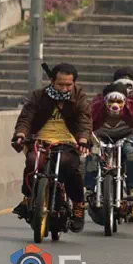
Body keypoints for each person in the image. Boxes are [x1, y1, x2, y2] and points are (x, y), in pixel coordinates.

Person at [11, 63, 91, 233]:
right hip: (40, 141)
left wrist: (83, 139)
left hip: (67, 142)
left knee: (70, 167)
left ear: (74, 83)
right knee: (32, 162)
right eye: (60, 84)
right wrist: (21, 134)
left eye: (68, 85)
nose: (64, 88)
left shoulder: (79, 96)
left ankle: (78, 205)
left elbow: (84, 120)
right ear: (52, 81)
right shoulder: (39, 96)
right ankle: (28, 198)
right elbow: (26, 118)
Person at [87, 83, 133, 206]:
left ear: (125, 101)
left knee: (132, 152)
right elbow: (85, 125)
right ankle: (89, 189)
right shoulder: (95, 108)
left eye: (119, 101)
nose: (115, 105)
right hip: (101, 136)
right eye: (111, 101)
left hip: (127, 136)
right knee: (92, 154)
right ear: (105, 100)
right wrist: (84, 140)